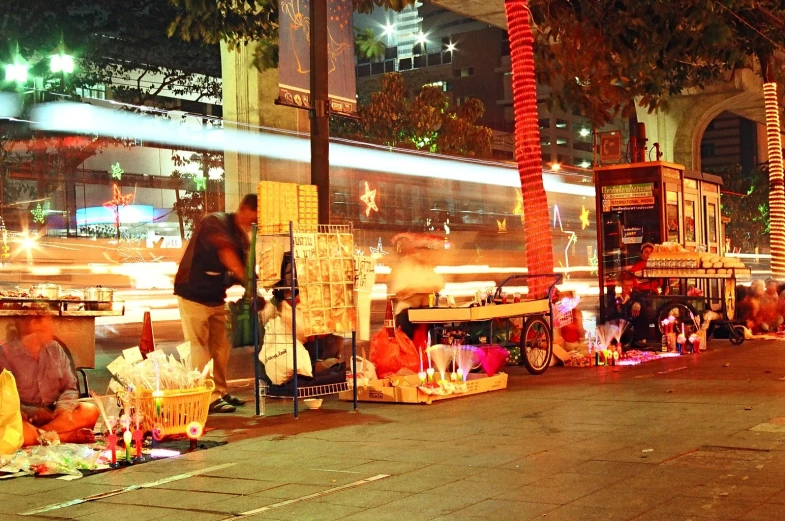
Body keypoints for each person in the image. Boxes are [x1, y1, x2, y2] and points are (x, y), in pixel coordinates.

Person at [175, 194, 257, 413]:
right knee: (198, 347)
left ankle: (219, 391)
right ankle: (206, 397)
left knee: (220, 348)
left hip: (216, 297)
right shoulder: (215, 222)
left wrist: (251, 286)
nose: (254, 223)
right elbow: (228, 257)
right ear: (245, 209)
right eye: (255, 216)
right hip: (193, 294)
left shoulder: (242, 237)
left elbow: (243, 268)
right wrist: (248, 282)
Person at [0, 313, 99, 446]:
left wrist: (63, 410)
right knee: (18, 431)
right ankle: (64, 437)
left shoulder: (55, 349)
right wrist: (31, 412)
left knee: (90, 410)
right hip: (23, 419)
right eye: (47, 327)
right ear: (33, 326)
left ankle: (43, 436)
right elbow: (4, 401)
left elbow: (69, 387)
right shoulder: (6, 353)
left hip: (53, 416)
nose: (52, 331)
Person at [611, 270, 651, 348]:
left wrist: (638, 303)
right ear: (619, 285)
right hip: (617, 332)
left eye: (631, 285)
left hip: (631, 331)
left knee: (644, 310)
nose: (629, 288)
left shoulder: (635, 294)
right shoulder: (611, 295)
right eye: (626, 285)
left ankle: (640, 341)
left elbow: (646, 301)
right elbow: (611, 315)